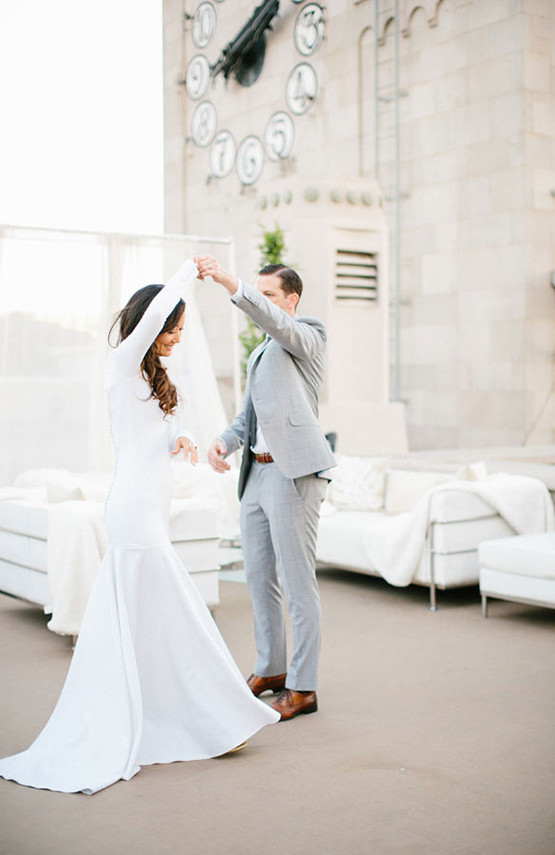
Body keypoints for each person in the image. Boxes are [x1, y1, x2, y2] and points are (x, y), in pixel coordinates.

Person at [0, 259, 279, 795]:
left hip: (154, 503)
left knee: (157, 611)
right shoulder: (123, 364)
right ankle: (215, 714)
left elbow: (158, 435)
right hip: (132, 507)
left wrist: (181, 440)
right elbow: (151, 322)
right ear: (152, 323)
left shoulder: (155, 378)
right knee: (175, 604)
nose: (176, 337)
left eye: (180, 329)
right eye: (172, 328)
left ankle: (194, 714)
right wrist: (186, 275)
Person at [197, 256, 336, 721]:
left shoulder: (307, 334)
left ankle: (303, 686)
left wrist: (230, 283)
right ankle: (271, 668)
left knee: (297, 584)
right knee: (258, 578)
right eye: (258, 293)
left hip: (294, 474)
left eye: (269, 294)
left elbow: (277, 323)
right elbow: (248, 416)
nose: (262, 300)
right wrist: (224, 441)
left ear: (291, 300)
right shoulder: (261, 352)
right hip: (256, 476)